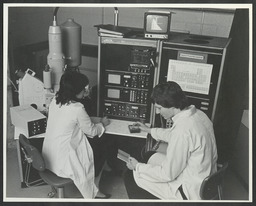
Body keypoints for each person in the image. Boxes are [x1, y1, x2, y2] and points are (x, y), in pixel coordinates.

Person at [124, 81, 218, 200]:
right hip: (204, 178)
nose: (157, 112)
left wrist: (138, 167)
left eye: (159, 108)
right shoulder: (198, 115)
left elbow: (167, 175)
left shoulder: (183, 130)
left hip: (189, 190)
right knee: (150, 155)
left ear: (172, 106)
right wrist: (149, 130)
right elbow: (173, 135)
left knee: (130, 176)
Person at [42, 71, 112, 199]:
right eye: (84, 88)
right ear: (75, 90)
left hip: (49, 158)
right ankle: (95, 189)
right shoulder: (78, 108)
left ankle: (101, 173)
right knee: (103, 147)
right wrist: (102, 124)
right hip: (64, 162)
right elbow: (91, 132)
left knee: (95, 145)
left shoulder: (54, 101)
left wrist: (87, 120)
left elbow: (68, 121)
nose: (86, 90)